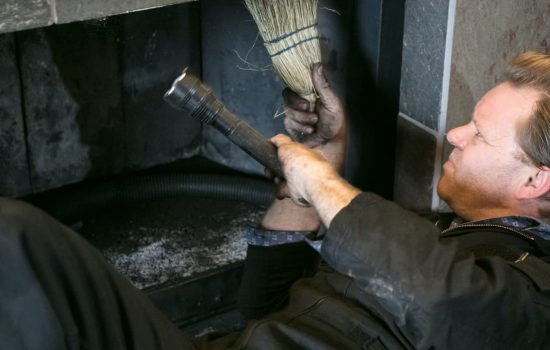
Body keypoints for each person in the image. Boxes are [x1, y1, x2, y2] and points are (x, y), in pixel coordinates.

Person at [1, 51, 550, 349]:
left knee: (14, 240)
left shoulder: (534, 285)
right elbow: (264, 307)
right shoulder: (437, 235)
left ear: (535, 181)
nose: (454, 134)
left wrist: (321, 184)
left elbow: (447, 307)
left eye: (478, 133)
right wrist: (316, 170)